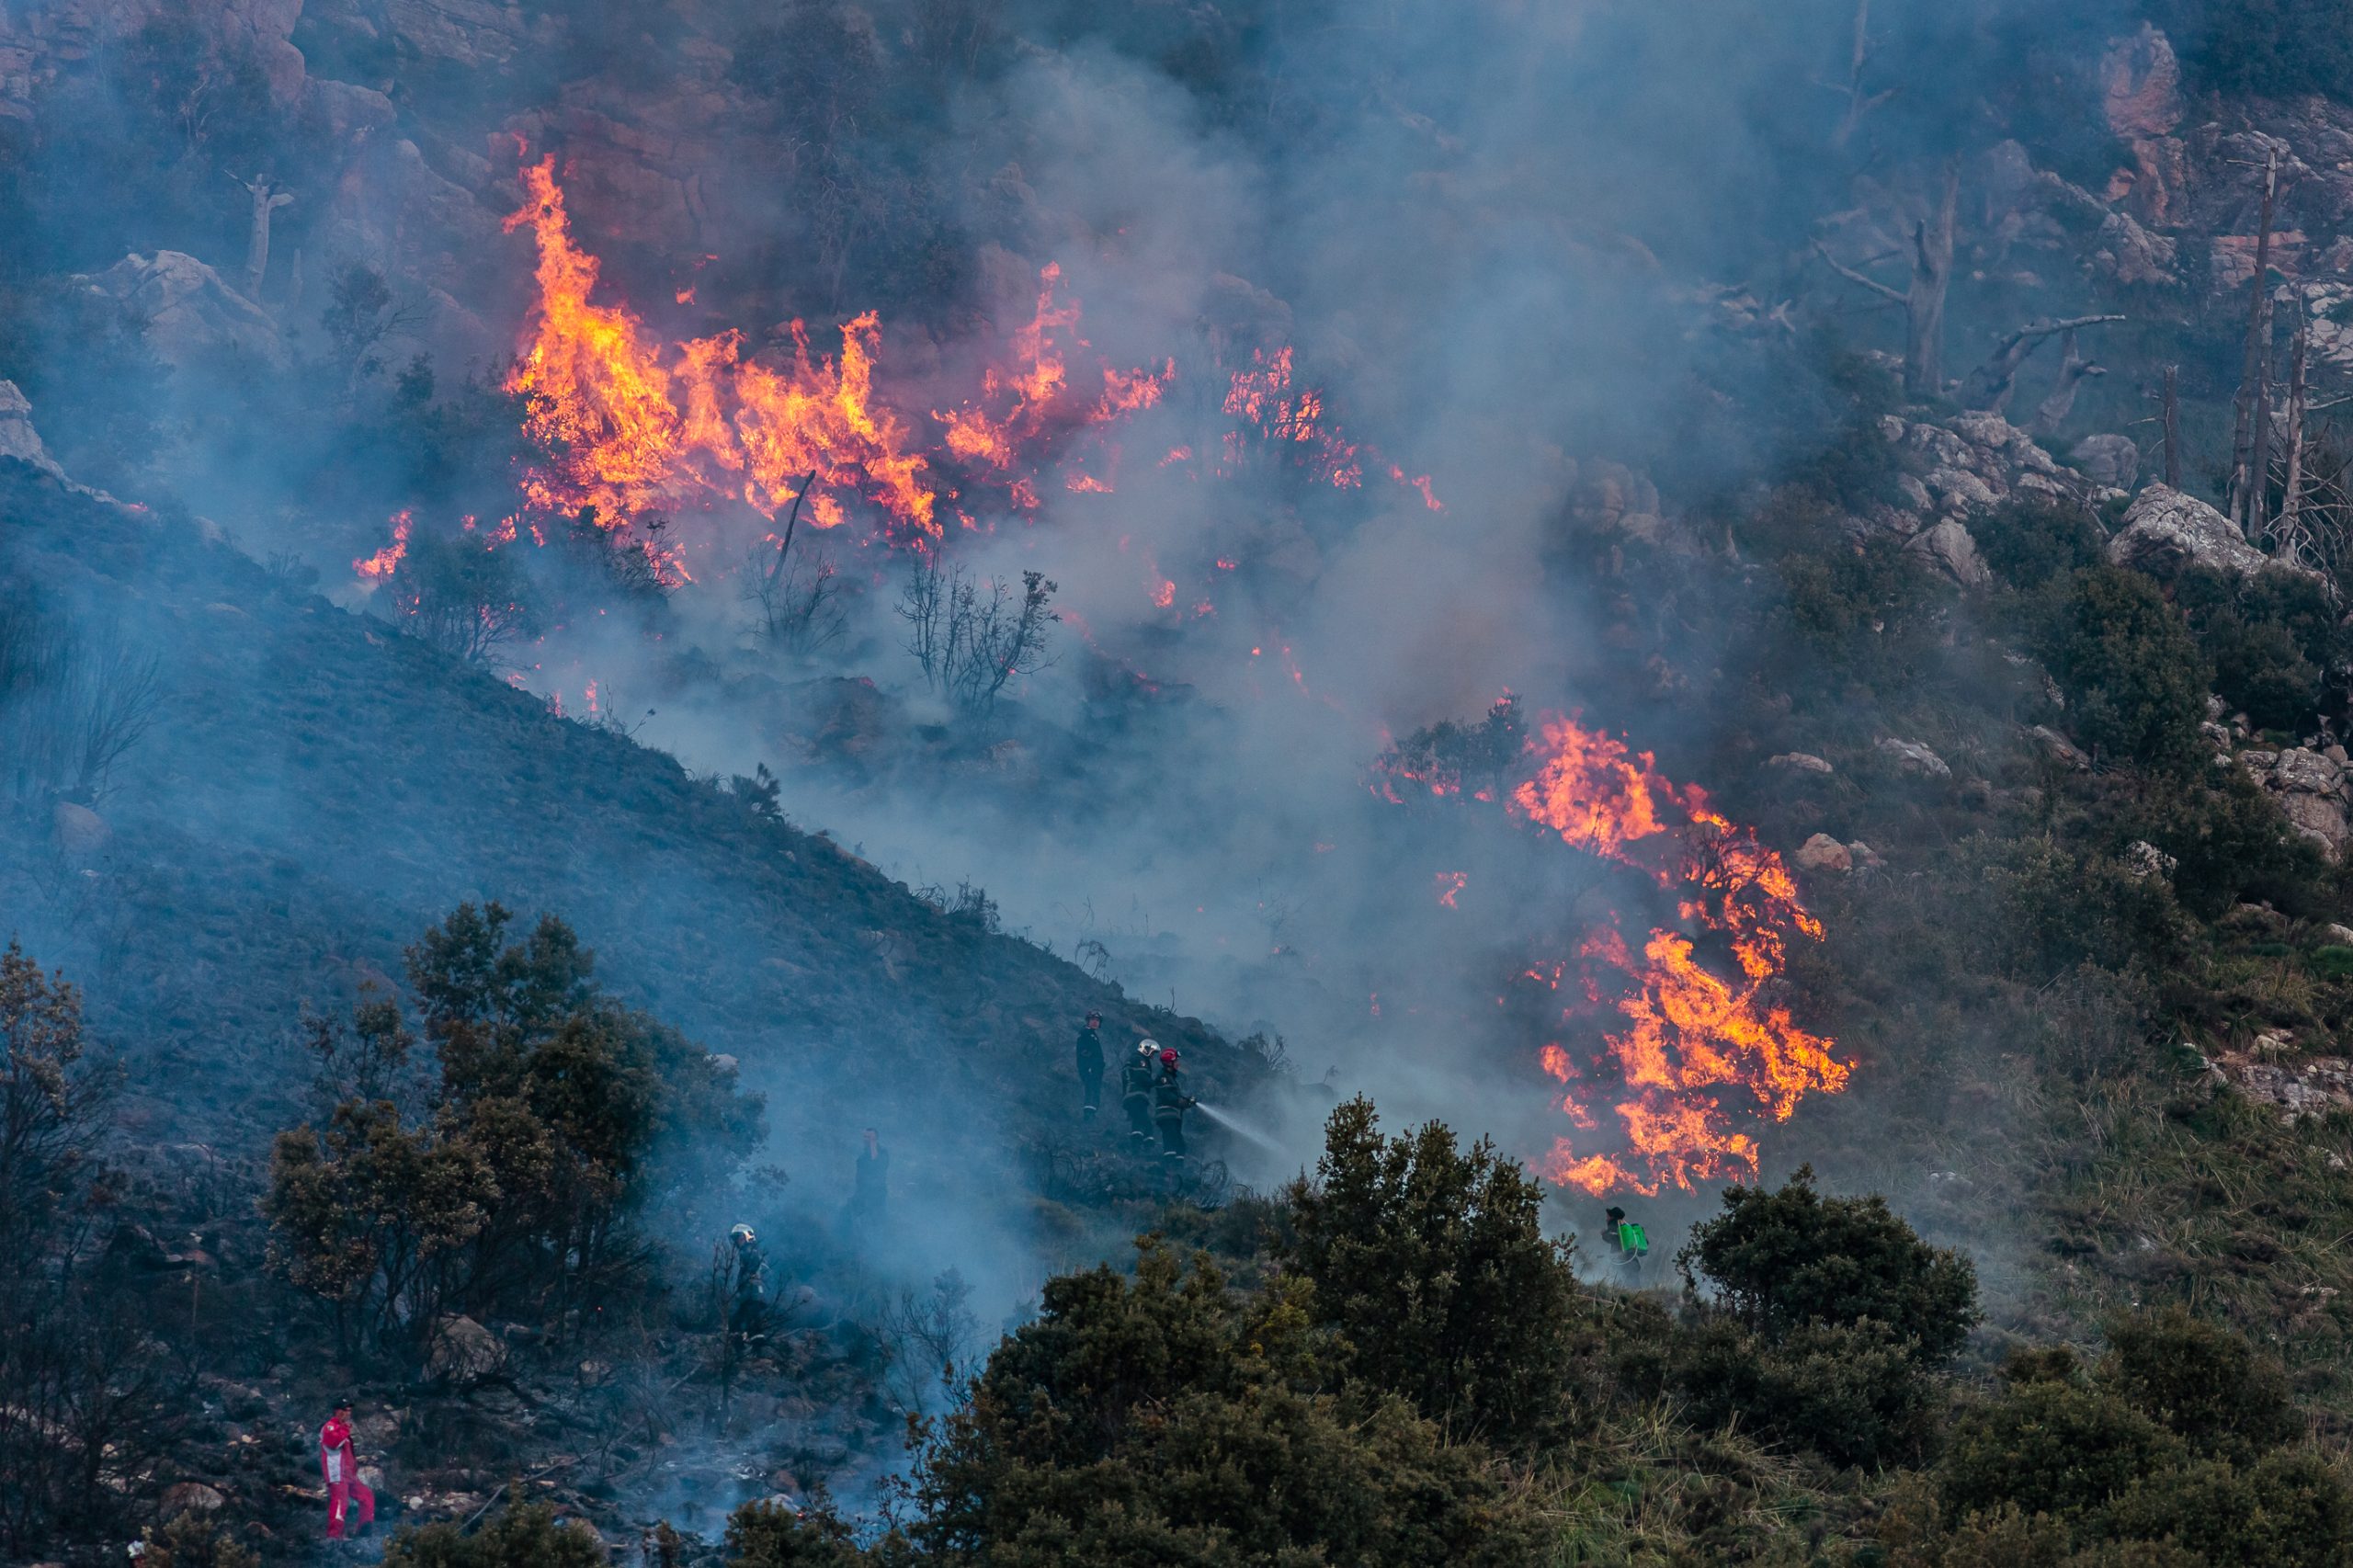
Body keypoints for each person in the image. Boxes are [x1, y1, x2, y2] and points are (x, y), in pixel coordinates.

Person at [319, 1399, 375, 1541]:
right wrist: (344, 1429)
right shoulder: (330, 1427)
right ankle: (333, 1537)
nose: (347, 1413)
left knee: (367, 1496)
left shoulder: (343, 1429)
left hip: (348, 1474)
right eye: (345, 1410)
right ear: (337, 1410)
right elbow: (334, 1443)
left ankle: (364, 1532)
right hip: (337, 1474)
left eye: (349, 1410)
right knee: (340, 1503)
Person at [1153, 1048, 1197, 1170]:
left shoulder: (1171, 1078)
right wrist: (1183, 1101)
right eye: (1176, 1061)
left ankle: (1179, 1169)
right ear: (1169, 1063)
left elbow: (1176, 1098)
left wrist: (1188, 1102)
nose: (1178, 1064)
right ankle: (1170, 1167)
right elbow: (1169, 1096)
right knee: (1171, 1140)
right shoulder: (1163, 1077)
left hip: (1173, 1116)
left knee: (1180, 1145)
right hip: (1166, 1115)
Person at [728, 1222, 768, 1335]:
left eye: (740, 1238)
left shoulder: (750, 1253)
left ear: (747, 1237)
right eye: (737, 1239)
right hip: (751, 1297)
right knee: (739, 1325)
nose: (737, 1241)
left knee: (749, 1327)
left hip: (753, 1296)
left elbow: (751, 1275)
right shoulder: (748, 1253)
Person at [1120, 1040, 1158, 1145]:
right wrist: (1155, 1083)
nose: (1153, 1055)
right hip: (1137, 1094)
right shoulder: (1140, 1060)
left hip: (1131, 1095)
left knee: (1141, 1120)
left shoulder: (1133, 1059)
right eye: (1152, 1052)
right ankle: (1139, 1145)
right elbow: (1142, 1077)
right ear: (1145, 1049)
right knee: (1141, 1119)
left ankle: (1144, 1143)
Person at [851, 1128, 889, 1230]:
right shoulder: (864, 1155)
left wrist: (873, 1143)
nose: (866, 1139)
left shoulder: (883, 1153)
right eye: (865, 1137)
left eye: (869, 1137)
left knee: (875, 1223)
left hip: (876, 1195)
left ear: (875, 1139)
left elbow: (876, 1164)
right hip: (862, 1193)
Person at [1074, 1012, 1105, 1122]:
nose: (1095, 1022)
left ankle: (1092, 1113)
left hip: (1095, 1069)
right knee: (1091, 1089)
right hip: (1090, 1068)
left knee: (1094, 1089)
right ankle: (1089, 1115)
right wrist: (1090, 1065)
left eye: (1097, 1020)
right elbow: (1084, 1051)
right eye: (1093, 1020)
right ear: (1088, 1021)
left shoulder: (1091, 1034)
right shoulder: (1086, 1033)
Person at [1603, 1206, 1648, 1273]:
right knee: (1633, 1280)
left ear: (1612, 1217)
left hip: (1622, 1260)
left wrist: (1604, 1234)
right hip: (1632, 1259)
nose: (1606, 1219)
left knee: (1623, 1280)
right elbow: (1646, 1242)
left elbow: (1610, 1238)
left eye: (1607, 1217)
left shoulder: (1614, 1225)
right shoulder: (1626, 1227)